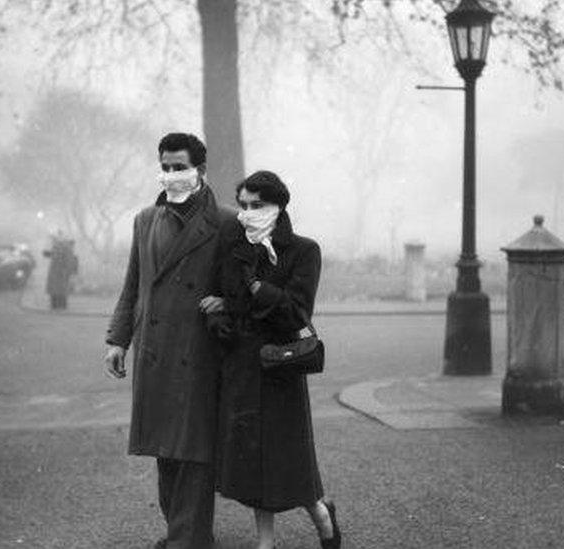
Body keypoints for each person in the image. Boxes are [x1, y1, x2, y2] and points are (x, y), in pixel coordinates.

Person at [104, 133, 234, 549]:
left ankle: (188, 540)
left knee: (194, 450)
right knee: (165, 448)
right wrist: (117, 339)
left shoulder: (227, 222)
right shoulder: (145, 220)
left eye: (180, 167)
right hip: (156, 349)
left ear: (201, 170)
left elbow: (242, 285)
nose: (172, 175)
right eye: (166, 167)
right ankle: (185, 533)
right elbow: (133, 285)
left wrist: (226, 304)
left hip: (199, 349)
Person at [199, 171, 341, 549]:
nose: (248, 213)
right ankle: (265, 542)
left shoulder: (304, 250)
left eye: (257, 206)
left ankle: (323, 516)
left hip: (280, 365)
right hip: (242, 366)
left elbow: (297, 313)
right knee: (252, 460)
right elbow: (216, 297)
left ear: (278, 207)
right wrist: (219, 316)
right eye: (243, 205)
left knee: (289, 456)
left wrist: (256, 289)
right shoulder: (233, 247)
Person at [43, 234, 78, 310]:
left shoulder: (58, 248)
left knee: (56, 291)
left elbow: (47, 254)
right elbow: (71, 262)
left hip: (57, 273)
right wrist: (71, 272)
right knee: (61, 291)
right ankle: (61, 305)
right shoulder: (67, 249)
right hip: (62, 274)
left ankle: (55, 305)